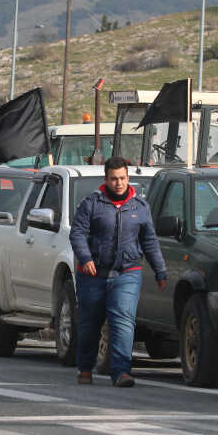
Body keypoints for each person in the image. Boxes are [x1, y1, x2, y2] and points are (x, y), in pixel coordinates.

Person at [69, 156, 166, 387]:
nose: (118, 183)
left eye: (122, 178)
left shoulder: (140, 207)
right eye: (113, 179)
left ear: (128, 178)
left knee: (123, 321)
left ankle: (121, 372)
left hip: (127, 273)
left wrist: (160, 270)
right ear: (106, 179)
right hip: (93, 275)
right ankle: (85, 368)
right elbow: (78, 233)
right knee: (89, 325)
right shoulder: (91, 204)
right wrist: (85, 258)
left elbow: (150, 240)